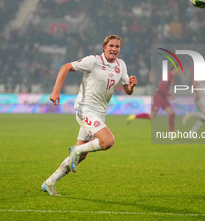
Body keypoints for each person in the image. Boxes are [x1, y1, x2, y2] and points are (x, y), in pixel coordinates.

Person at [41, 35, 137, 196]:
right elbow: (65, 67)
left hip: (99, 113)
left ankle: (49, 182)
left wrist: (131, 85)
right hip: (85, 110)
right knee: (108, 141)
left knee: (82, 156)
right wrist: (56, 90)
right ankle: (76, 150)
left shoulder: (121, 65)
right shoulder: (93, 61)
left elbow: (127, 90)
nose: (114, 49)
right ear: (104, 47)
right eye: (111, 46)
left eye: (117, 46)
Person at [127, 66, 177, 132]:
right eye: (178, 69)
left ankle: (171, 132)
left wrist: (167, 96)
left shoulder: (172, 77)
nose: (178, 71)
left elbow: (166, 88)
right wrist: (169, 95)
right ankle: (134, 116)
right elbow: (161, 88)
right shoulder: (167, 76)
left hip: (164, 98)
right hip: (159, 97)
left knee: (172, 114)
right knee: (151, 116)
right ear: (174, 69)